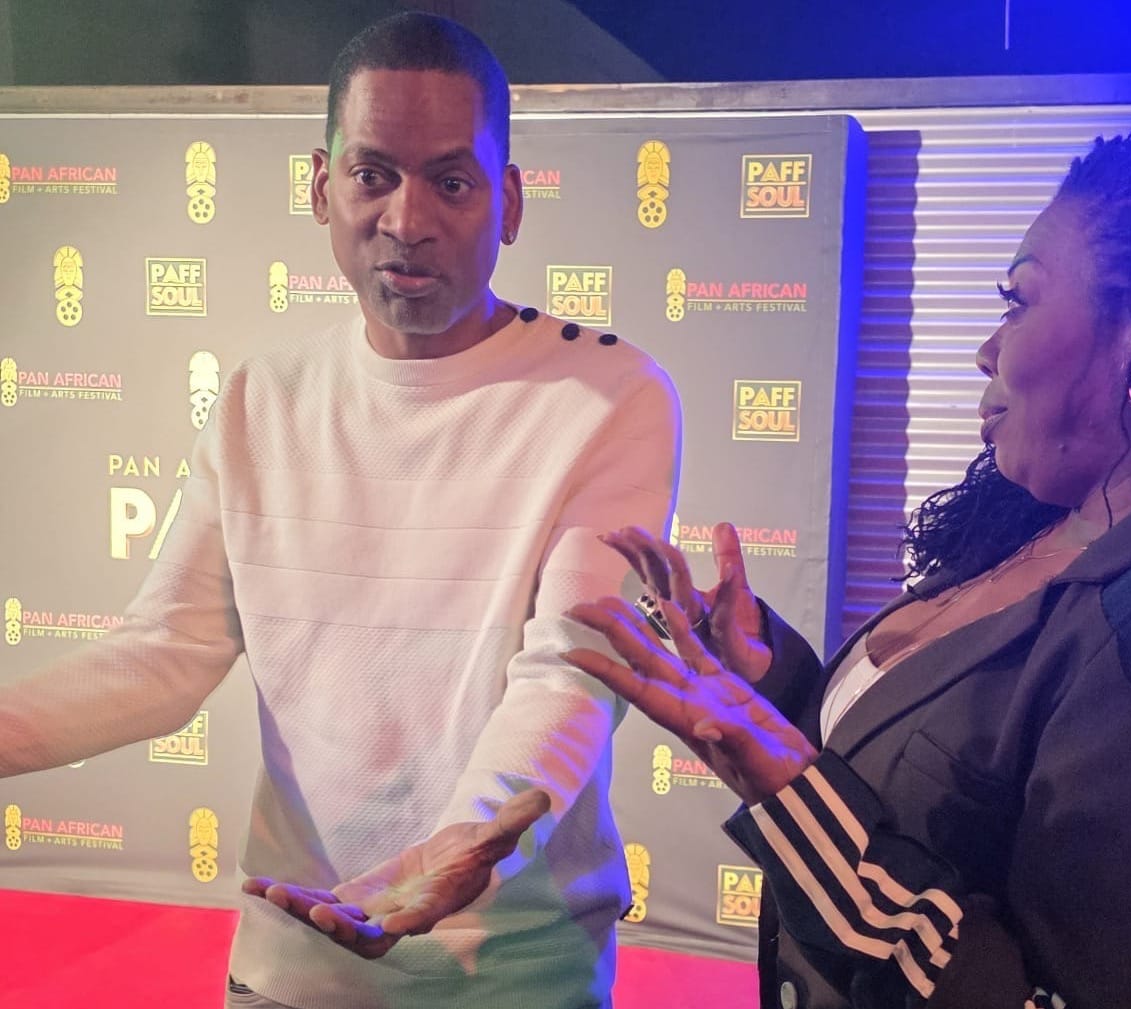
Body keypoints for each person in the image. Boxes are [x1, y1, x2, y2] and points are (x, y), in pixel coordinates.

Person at [561, 119, 1131, 1009]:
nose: (988, 350)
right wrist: (772, 683)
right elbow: (927, 794)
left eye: (1018, 301)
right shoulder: (1041, 533)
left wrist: (792, 800)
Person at [0, 12, 680, 1009]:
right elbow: (164, 654)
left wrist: (465, 839)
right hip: (289, 962)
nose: (407, 219)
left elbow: (569, 669)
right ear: (322, 187)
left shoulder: (610, 396)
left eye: (451, 181)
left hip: (515, 977)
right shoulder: (260, 396)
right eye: (373, 175)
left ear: (510, 202)